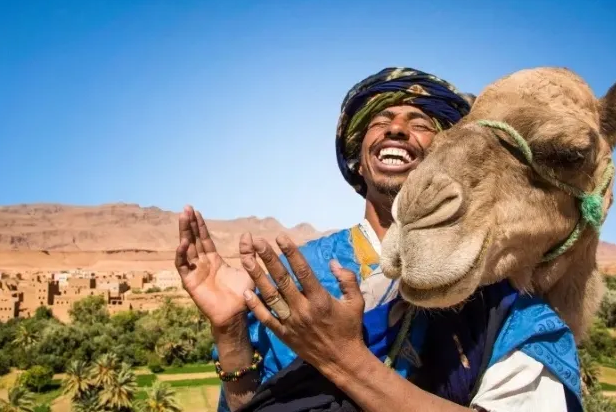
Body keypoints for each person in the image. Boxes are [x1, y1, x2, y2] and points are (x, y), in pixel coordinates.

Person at [175, 67, 582, 412]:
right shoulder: (299, 272)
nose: (397, 129)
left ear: (448, 153)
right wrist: (229, 331)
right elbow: (248, 404)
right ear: (358, 157)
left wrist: (343, 358)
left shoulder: (498, 292)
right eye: (380, 120)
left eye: (421, 124)